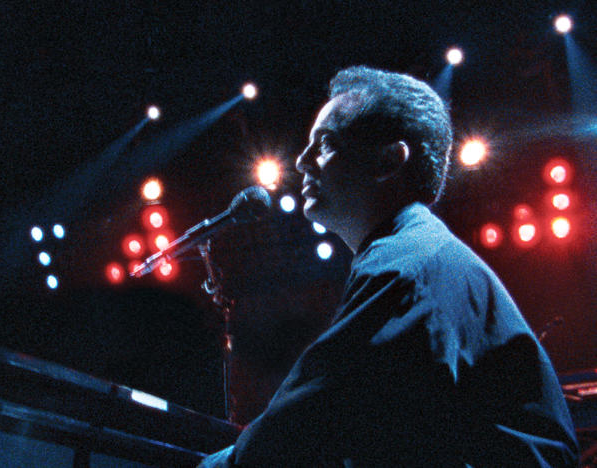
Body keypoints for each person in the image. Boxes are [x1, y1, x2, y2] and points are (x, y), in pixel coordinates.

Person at [198, 65, 579, 467]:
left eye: (324, 144)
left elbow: (317, 409)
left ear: (389, 161)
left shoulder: (407, 265)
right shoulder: (417, 250)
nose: (301, 160)